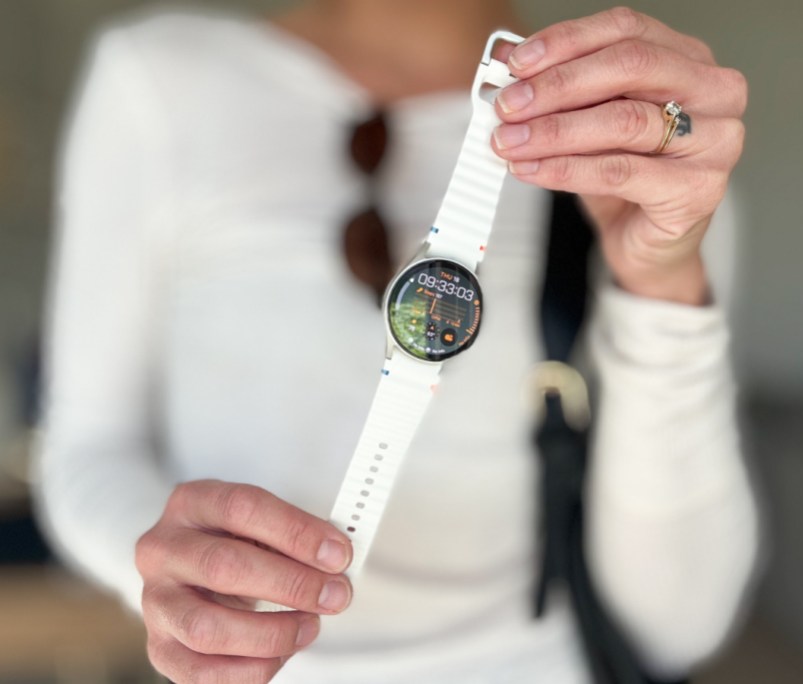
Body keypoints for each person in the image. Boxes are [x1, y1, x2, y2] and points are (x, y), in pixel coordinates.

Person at [34, 1, 758, 682]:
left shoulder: (642, 139)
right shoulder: (159, 82)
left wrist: (660, 285)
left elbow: (677, 624)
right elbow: (86, 450)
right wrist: (171, 568)